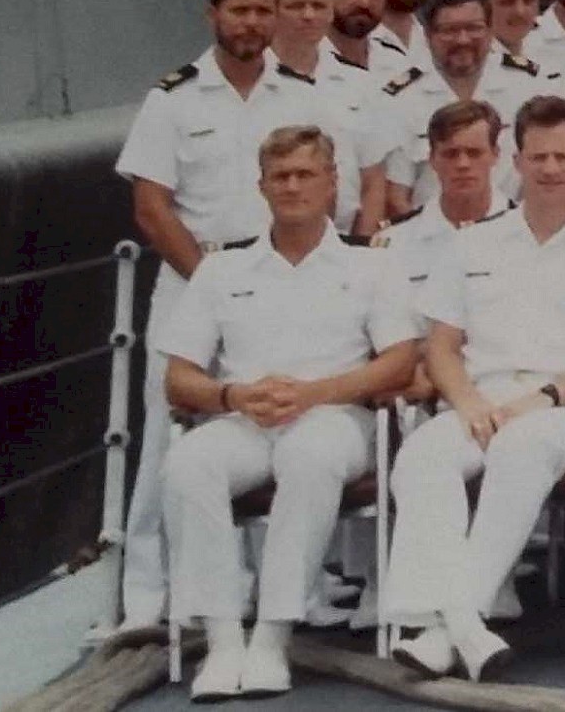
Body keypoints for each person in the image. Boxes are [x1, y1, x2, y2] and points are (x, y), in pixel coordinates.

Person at [385, 99, 565, 681]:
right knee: (421, 457)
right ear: (516, 161)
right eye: (538, 157)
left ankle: (451, 622)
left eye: (562, 157)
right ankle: (461, 627)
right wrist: (467, 402)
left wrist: (547, 398)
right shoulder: (472, 244)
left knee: (521, 450)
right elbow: (442, 347)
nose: (550, 169)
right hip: (480, 399)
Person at [157, 125, 419, 700]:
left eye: (306, 174)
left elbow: (400, 361)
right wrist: (233, 396)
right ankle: (223, 640)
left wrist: (317, 393)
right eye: (281, 176)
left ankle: (272, 638)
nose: (293, 186)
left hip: (336, 417)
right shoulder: (222, 269)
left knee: (309, 455)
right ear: (262, 186)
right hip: (246, 418)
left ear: (332, 183)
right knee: (188, 464)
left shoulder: (371, 266)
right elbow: (178, 376)